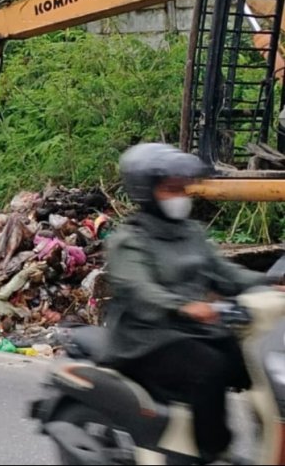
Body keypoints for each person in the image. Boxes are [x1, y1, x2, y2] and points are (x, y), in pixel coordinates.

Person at [102, 142, 271, 464]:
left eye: (183, 188)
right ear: (146, 191)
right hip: (147, 338)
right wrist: (183, 305)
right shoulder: (130, 239)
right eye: (171, 189)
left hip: (191, 330)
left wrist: (269, 284)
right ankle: (210, 451)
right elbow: (140, 288)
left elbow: (224, 272)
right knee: (210, 368)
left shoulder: (191, 232)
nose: (181, 196)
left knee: (248, 363)